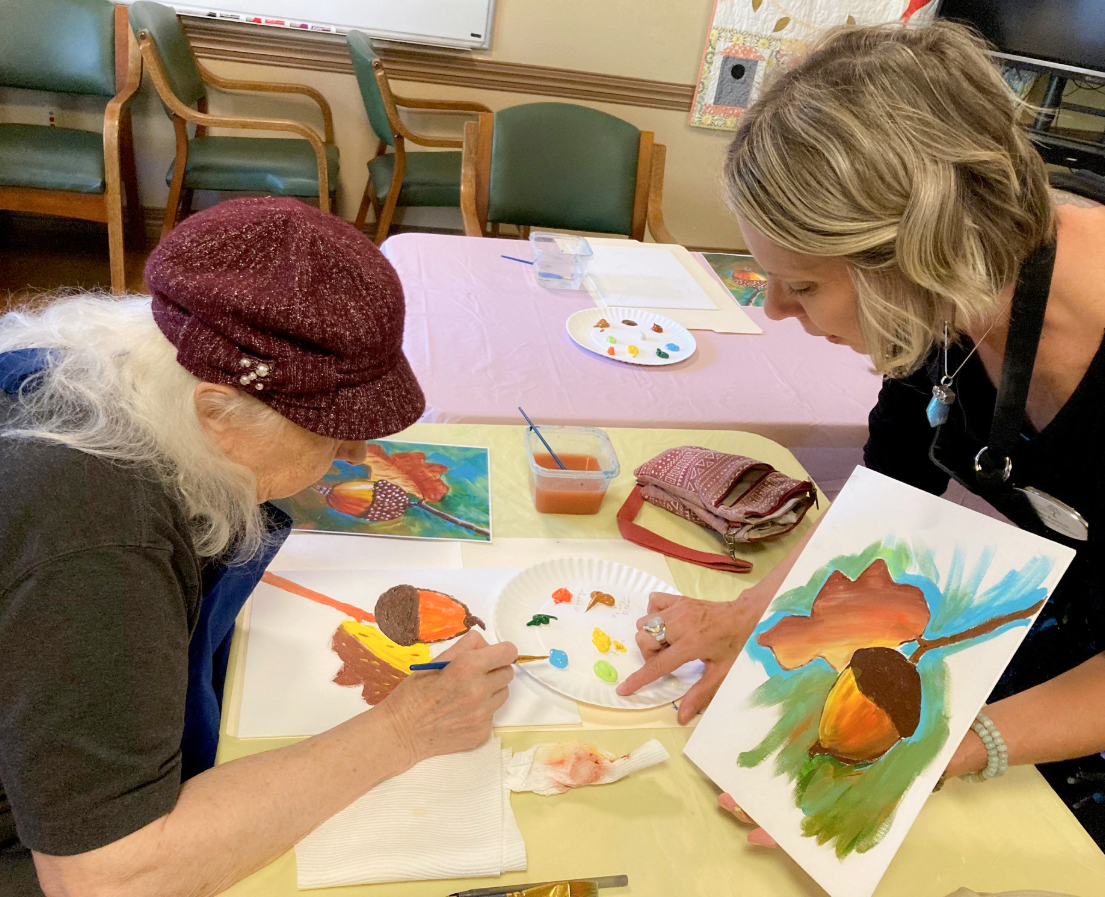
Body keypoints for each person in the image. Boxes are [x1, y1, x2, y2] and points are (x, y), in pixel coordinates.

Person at [618, 21, 1105, 846]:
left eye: (798, 285)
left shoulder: (957, 273)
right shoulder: (951, 295)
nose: (772, 311)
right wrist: (755, 613)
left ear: (917, 253)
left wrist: (954, 749)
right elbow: (886, 495)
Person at [0, 197, 517, 897]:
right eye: (333, 433)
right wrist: (403, 729)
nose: (357, 452)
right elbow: (106, 878)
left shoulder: (109, 357)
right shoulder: (95, 533)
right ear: (217, 414)